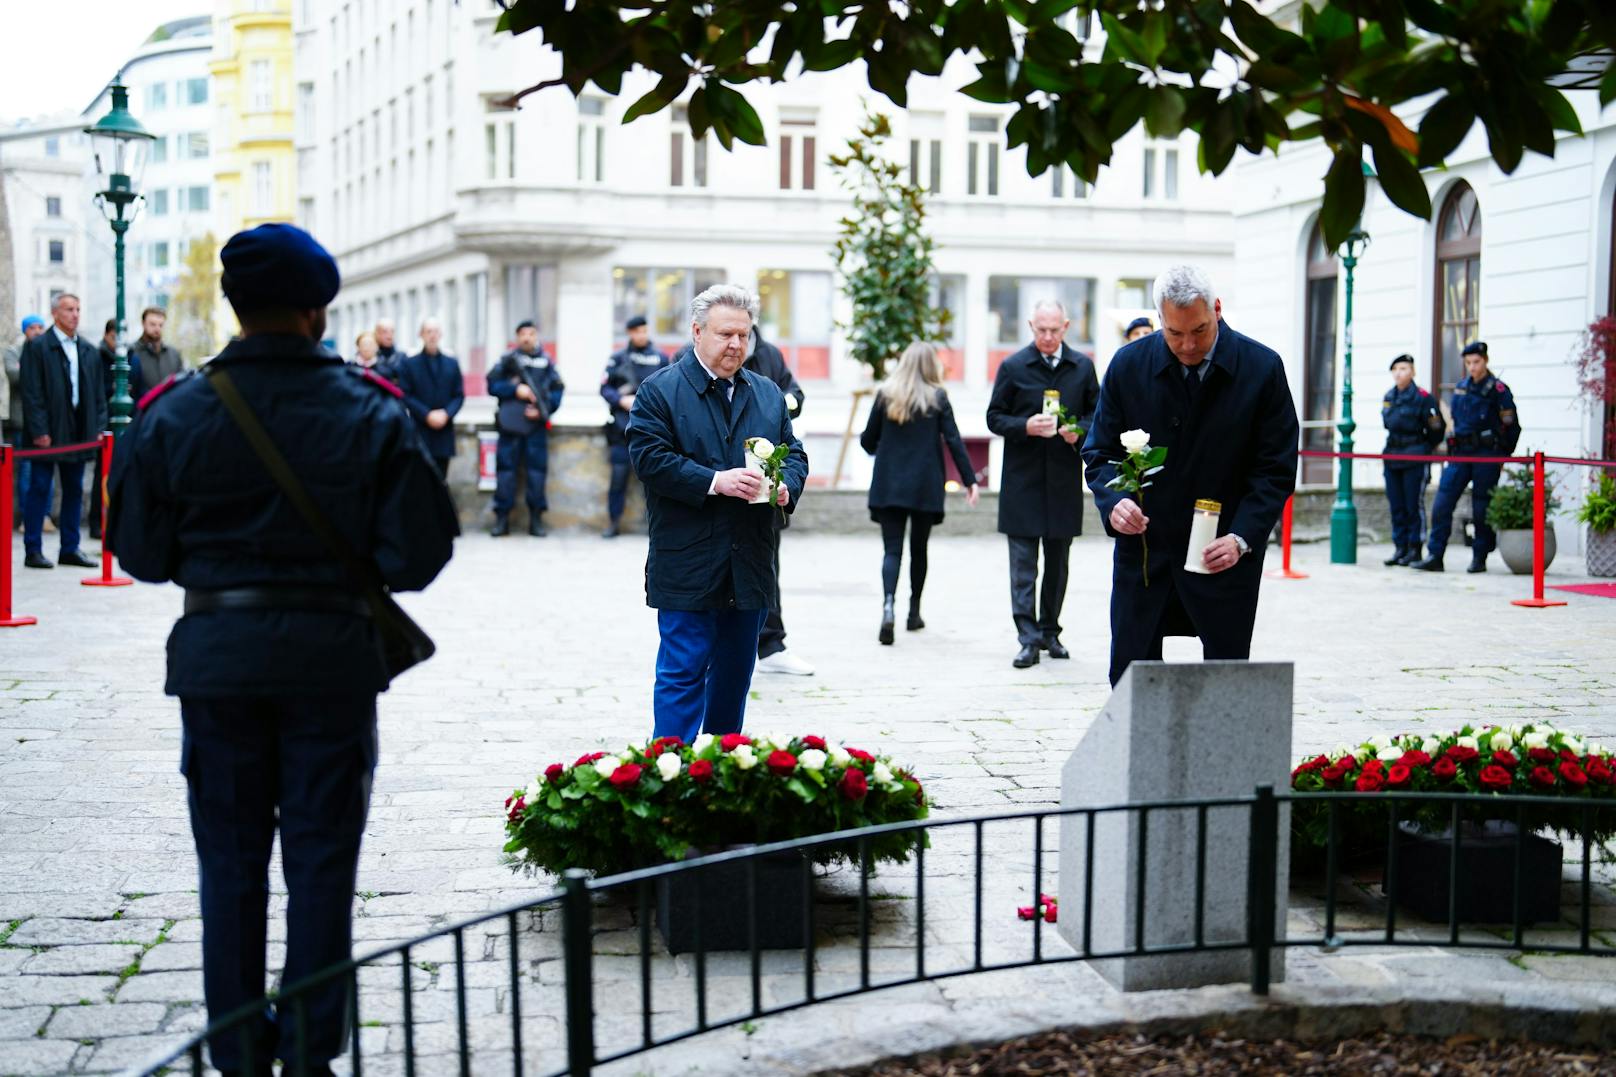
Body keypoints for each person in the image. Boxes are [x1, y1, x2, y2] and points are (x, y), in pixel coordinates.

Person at [107, 222, 458, 1077]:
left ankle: (235, 1051)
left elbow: (141, 553)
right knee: (322, 860)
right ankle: (307, 1050)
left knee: (228, 863)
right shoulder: (370, 406)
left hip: (219, 661)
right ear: (317, 309)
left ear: (234, 306)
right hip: (330, 662)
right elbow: (420, 553)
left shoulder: (176, 411)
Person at [1083, 264, 1299, 687]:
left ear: (1217, 310)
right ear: (1159, 319)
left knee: (1225, 685)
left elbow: (1275, 469)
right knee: (1130, 682)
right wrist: (1114, 503)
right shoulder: (1128, 366)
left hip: (1223, 554)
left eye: (1199, 331)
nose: (1187, 345)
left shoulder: (1263, 369)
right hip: (1145, 554)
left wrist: (1242, 538)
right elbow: (1099, 452)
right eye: (1174, 333)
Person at [628, 284, 808, 743]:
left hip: (749, 560)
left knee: (733, 679)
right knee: (682, 674)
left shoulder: (767, 393)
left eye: (744, 336)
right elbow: (649, 458)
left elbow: (795, 454)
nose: (736, 345)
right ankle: (668, 772)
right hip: (687, 558)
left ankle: (724, 771)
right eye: (726, 334)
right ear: (696, 331)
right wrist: (715, 481)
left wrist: (785, 485)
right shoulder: (659, 391)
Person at [985, 299, 1100, 668]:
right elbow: (994, 417)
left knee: (1058, 563)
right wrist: (1025, 427)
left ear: (1066, 327)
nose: (1048, 337)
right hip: (1022, 482)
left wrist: (1078, 431)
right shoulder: (1013, 366)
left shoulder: (1083, 367)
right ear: (1031, 327)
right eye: (1041, 330)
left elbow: (1097, 415)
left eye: (1054, 330)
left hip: (1063, 481)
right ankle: (1028, 638)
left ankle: (1051, 631)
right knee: (1023, 566)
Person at [861, 341, 979, 644]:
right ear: (931, 366)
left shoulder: (885, 396)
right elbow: (954, 440)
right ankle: (914, 613)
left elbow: (867, 440)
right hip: (925, 485)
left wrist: (882, 449)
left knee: (892, 551)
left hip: (889, 484)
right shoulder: (938, 398)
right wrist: (970, 481)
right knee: (919, 549)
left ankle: (888, 606)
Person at [1411, 341, 1521, 573]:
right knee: (1442, 503)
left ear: (1485, 360)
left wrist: (1502, 456)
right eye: (1468, 363)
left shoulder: (1498, 390)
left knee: (1482, 508)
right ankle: (1435, 554)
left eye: (1476, 362)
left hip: (1486, 455)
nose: (1472, 367)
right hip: (1460, 453)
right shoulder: (1461, 387)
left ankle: (1479, 557)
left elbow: (1512, 427)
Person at [19, 294, 105, 570]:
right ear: (55, 314)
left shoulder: (88, 351)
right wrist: (39, 430)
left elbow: (98, 396)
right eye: (69, 309)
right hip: (47, 433)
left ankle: (70, 547)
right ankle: (33, 549)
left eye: (78, 309)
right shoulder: (38, 347)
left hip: (79, 431)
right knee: (40, 488)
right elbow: (31, 392)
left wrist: (97, 429)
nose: (75, 314)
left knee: (75, 489)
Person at [488, 319, 564, 536]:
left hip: (535, 428)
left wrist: (543, 410)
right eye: (523, 334)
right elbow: (492, 385)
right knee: (505, 473)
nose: (527, 338)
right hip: (510, 426)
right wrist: (515, 390)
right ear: (517, 337)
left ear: (536, 336)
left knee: (536, 474)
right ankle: (502, 520)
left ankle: (536, 520)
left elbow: (558, 391)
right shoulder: (507, 360)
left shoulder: (547, 362)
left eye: (531, 333)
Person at [600, 315, 668, 538]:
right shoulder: (619, 358)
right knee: (618, 480)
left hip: (652, 431)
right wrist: (621, 400)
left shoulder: (660, 358)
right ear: (630, 333)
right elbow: (605, 388)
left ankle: (656, 527)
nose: (642, 335)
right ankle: (613, 523)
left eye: (645, 330)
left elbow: (670, 390)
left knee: (656, 482)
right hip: (622, 430)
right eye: (637, 331)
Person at [1380, 353, 1445, 566]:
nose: (1399, 373)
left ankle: (1414, 547)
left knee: (1412, 505)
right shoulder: (1390, 396)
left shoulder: (1424, 397)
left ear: (1413, 371)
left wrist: (1424, 448)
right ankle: (1400, 547)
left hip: (1415, 456)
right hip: (1392, 456)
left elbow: (1437, 429)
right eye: (1396, 369)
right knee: (1396, 505)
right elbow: (1388, 423)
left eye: (1404, 369)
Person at [395, 317, 464, 480]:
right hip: (420, 430)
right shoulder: (409, 364)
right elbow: (406, 394)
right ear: (421, 335)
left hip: (444, 430)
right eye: (428, 332)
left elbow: (459, 395)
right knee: (419, 479)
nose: (432, 336)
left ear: (441, 334)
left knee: (441, 479)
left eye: (435, 332)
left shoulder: (451, 363)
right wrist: (426, 414)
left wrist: (446, 414)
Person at [4, 315, 46, 529]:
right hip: (21, 420)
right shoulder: (14, 351)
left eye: (41, 327)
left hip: (44, 421)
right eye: (32, 327)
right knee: (26, 470)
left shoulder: (46, 351)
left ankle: (44, 516)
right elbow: (15, 375)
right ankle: (25, 516)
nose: (37, 331)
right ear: (24, 330)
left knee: (46, 471)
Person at [130, 306, 185, 399]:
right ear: (143, 324)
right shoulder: (132, 353)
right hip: (143, 411)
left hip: (169, 410)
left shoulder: (174, 354)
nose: (157, 329)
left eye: (161, 325)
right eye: (152, 324)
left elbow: (181, 385)